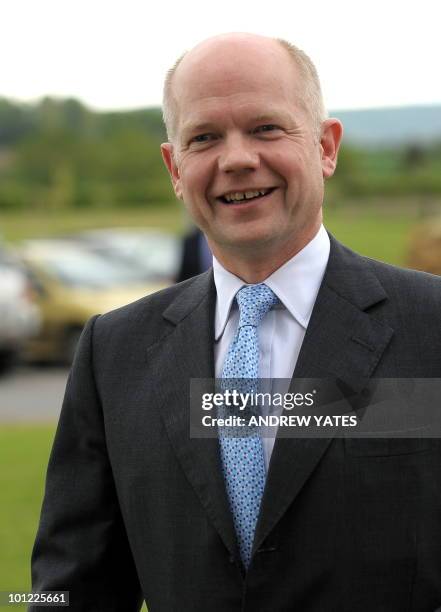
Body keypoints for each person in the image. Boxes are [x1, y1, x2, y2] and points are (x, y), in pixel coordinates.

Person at [30, 33, 441, 611]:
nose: (237, 158)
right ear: (176, 168)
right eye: (204, 137)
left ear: (326, 146)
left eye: (266, 128)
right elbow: (72, 587)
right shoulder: (112, 352)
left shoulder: (432, 328)